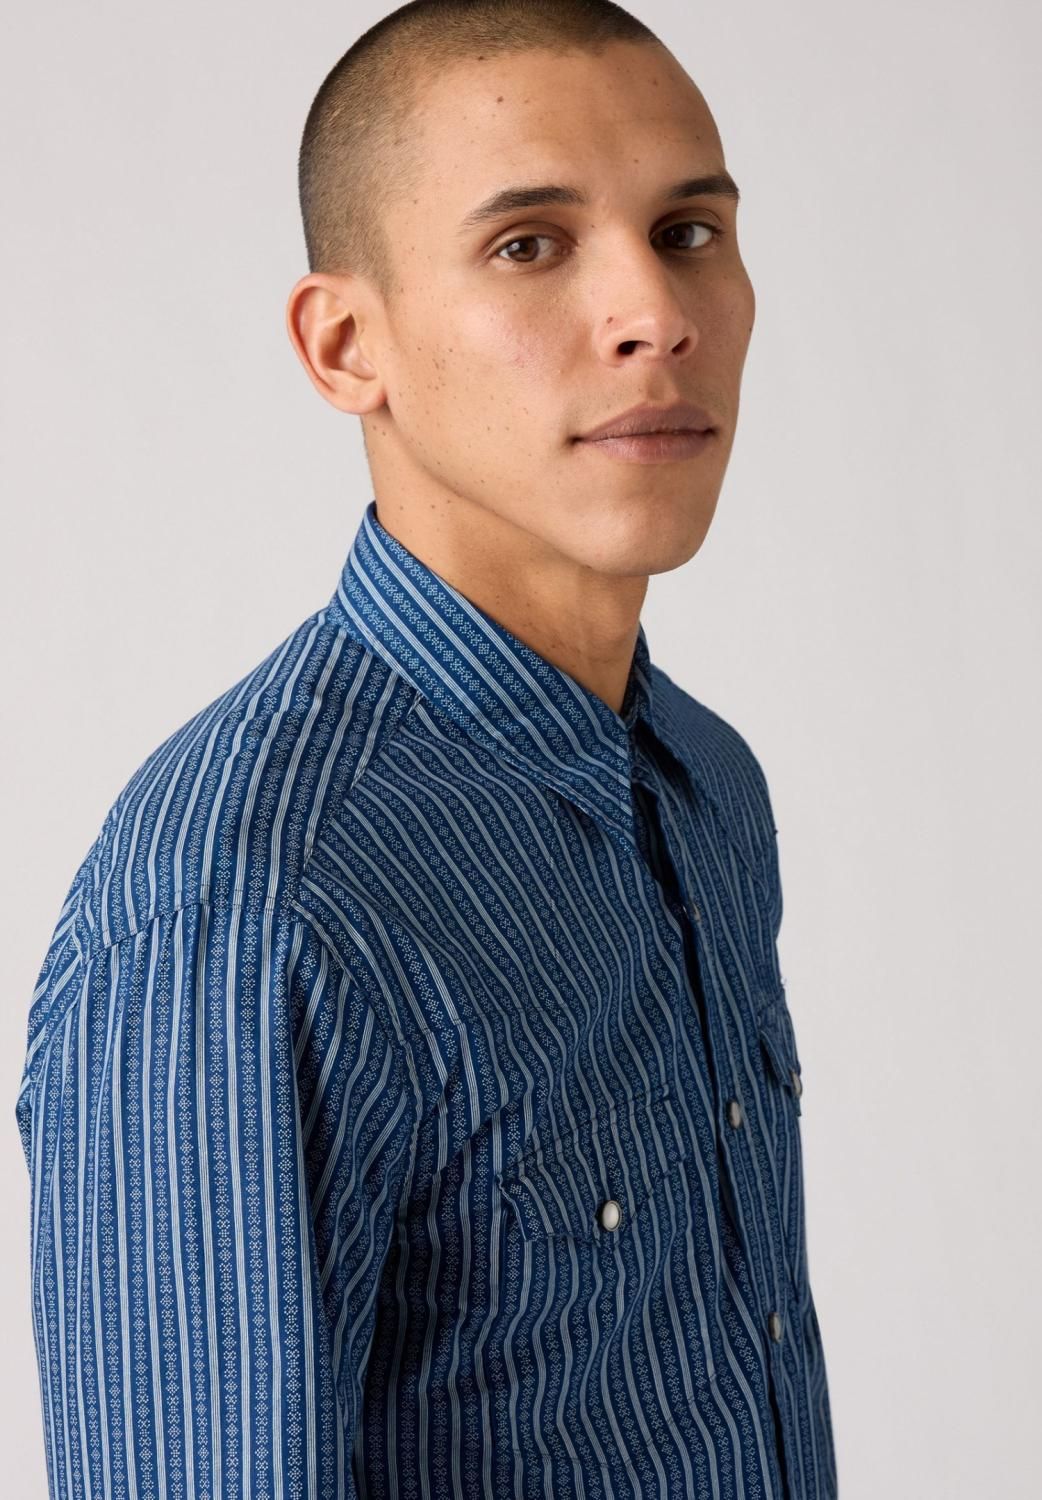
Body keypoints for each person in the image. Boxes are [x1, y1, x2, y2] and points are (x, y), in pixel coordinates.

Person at [15, 2, 838, 1496]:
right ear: (347, 345)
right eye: (529, 245)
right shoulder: (250, 903)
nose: (655, 314)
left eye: (687, 232)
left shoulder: (704, 784)